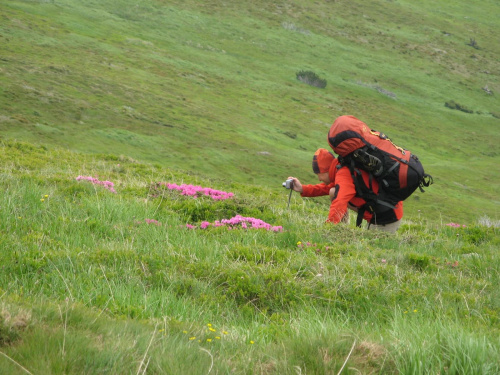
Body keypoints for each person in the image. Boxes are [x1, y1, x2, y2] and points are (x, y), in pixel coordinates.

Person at [288, 148, 403, 233]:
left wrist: (328, 229)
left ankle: (339, 231)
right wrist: (303, 188)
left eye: (319, 174)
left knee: (375, 253)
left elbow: (340, 200)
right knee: (333, 191)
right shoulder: (341, 167)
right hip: (385, 209)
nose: (319, 178)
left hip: (386, 217)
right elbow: (329, 188)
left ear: (326, 170)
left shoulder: (343, 173)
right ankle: (342, 230)